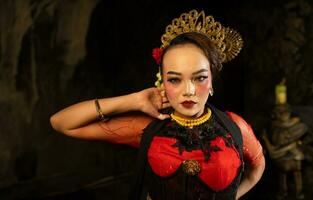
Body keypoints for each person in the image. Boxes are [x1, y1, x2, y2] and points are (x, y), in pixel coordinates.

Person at [50, 10, 265, 200]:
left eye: (199, 78)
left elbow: (258, 166)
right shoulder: (148, 129)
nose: (188, 90)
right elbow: (62, 122)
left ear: (211, 80)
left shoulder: (235, 128)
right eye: (175, 79)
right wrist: (132, 100)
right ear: (162, 81)